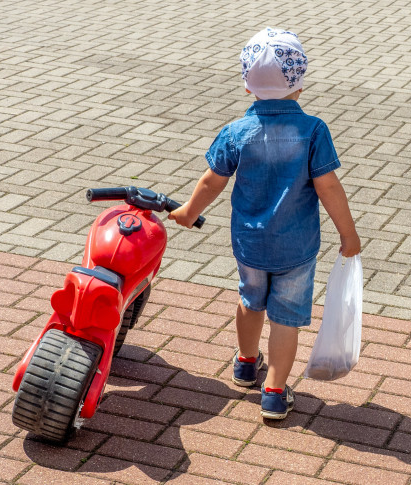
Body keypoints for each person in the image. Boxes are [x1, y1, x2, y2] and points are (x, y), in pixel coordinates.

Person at [169, 27, 360, 420]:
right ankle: (273, 392)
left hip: (250, 245)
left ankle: (244, 362)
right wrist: (348, 234)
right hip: (297, 247)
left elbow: (211, 181)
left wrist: (189, 211)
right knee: (286, 318)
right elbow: (328, 187)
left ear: (247, 87)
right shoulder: (313, 131)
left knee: (250, 300)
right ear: (300, 85)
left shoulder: (236, 131)